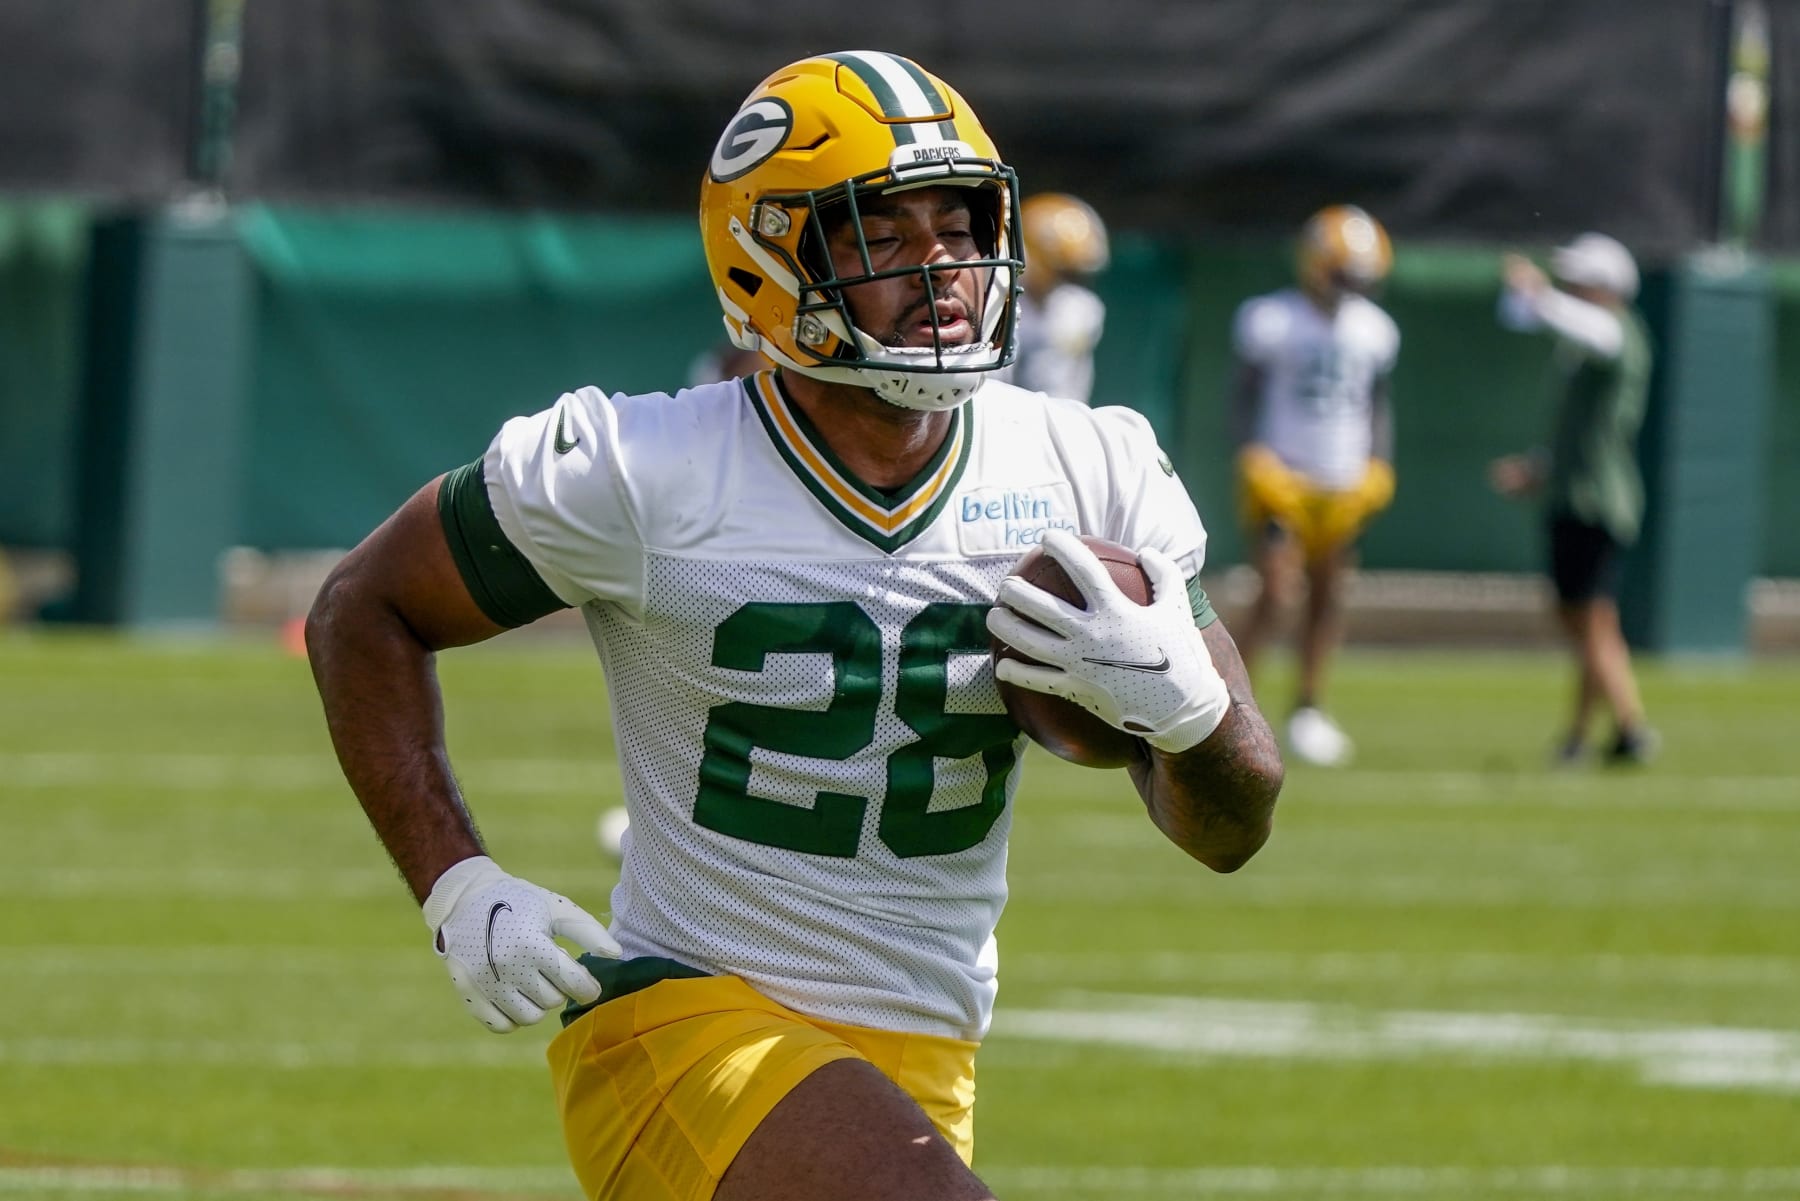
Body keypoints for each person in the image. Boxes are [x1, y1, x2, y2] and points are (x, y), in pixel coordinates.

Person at [306, 50, 1282, 1201]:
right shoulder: (642, 468)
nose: (944, 267)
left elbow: (1232, 829)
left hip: (924, 1056)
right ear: (771, 260)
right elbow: (364, 607)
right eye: (883, 233)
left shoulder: (1088, 467)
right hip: (686, 1025)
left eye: (961, 225)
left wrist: (1191, 715)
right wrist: (456, 883)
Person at [1227, 205, 1400, 767]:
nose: (1352, 285)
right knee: (1277, 592)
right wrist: (1251, 454)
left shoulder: (1374, 329)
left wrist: (1380, 464)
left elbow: (1377, 404)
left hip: (1344, 478)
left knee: (1330, 594)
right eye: (1344, 272)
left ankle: (1308, 707)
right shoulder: (1272, 319)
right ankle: (1229, 704)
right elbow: (1243, 395)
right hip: (1284, 476)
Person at [1489, 232, 1658, 766]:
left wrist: (1537, 293)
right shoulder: (1585, 347)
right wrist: (1538, 469)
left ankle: (1630, 725)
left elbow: (1578, 323)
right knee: (1587, 621)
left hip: (1597, 502)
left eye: (1579, 280)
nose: (1571, 288)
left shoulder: (1616, 332)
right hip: (1574, 497)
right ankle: (1585, 736)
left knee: (1590, 621)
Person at [997, 191, 1110, 403]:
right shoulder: (996, 303)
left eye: (1071, 274)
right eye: (1060, 270)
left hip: (1053, 411)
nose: (1063, 282)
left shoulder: (1079, 311)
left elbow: (1073, 383)